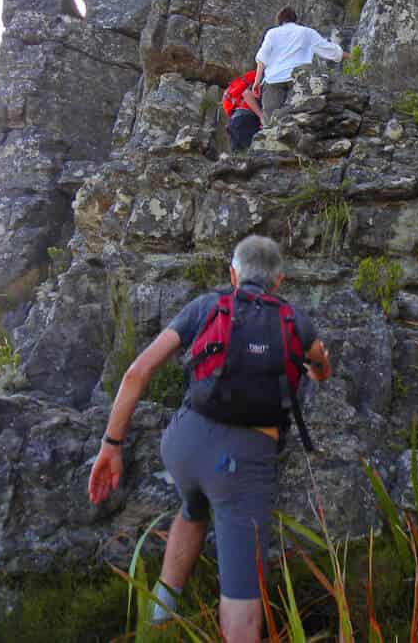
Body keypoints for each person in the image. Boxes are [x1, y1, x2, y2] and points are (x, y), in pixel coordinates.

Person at [88, 235, 331, 643]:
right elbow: (321, 365)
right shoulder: (296, 320)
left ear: (233, 274)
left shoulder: (207, 305)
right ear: (279, 280)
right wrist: (314, 368)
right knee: (242, 604)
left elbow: (136, 372)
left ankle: (159, 622)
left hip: (183, 445)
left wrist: (110, 446)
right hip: (241, 465)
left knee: (193, 508)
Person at [252, 6, 347, 125]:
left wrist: (256, 82)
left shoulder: (272, 33)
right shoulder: (306, 32)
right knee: (294, 113)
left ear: (280, 20)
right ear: (295, 19)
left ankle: (270, 138)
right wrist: (349, 56)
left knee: (270, 118)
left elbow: (262, 58)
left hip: (273, 79)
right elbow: (328, 49)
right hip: (297, 77)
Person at [222, 68, 264, 152]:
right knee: (256, 154)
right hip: (246, 119)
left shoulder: (246, 78)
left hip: (235, 121)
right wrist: (262, 117)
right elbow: (246, 94)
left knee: (240, 158)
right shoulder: (262, 76)